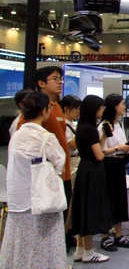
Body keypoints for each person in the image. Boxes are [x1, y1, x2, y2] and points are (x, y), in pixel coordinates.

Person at [0, 91, 67, 268]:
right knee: (44, 246)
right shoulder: (46, 138)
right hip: (42, 202)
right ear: (45, 111)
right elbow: (60, 163)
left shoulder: (16, 135)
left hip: (18, 201)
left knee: (20, 245)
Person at [17, 66, 74, 247]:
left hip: (62, 172)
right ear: (41, 83)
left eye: (60, 79)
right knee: (45, 223)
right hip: (45, 176)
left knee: (60, 217)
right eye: (55, 78)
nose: (59, 82)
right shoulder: (34, 109)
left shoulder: (56, 106)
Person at [71, 95, 111, 263]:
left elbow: (95, 149)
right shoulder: (89, 128)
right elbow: (99, 155)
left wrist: (104, 137)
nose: (102, 111)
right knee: (89, 210)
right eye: (101, 108)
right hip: (92, 171)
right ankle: (88, 252)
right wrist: (113, 146)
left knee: (82, 208)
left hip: (84, 169)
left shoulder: (81, 127)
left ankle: (80, 250)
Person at [98, 93, 129, 251]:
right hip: (109, 165)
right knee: (108, 200)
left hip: (120, 164)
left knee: (120, 200)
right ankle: (105, 237)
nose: (124, 106)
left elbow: (118, 144)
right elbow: (102, 150)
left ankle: (119, 235)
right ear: (114, 106)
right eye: (121, 103)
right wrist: (119, 148)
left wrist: (125, 147)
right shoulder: (106, 125)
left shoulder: (118, 124)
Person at [61, 95, 81, 187]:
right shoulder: (63, 125)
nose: (78, 112)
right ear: (66, 108)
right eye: (75, 109)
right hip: (71, 160)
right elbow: (72, 145)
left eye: (79, 109)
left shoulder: (75, 124)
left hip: (79, 159)